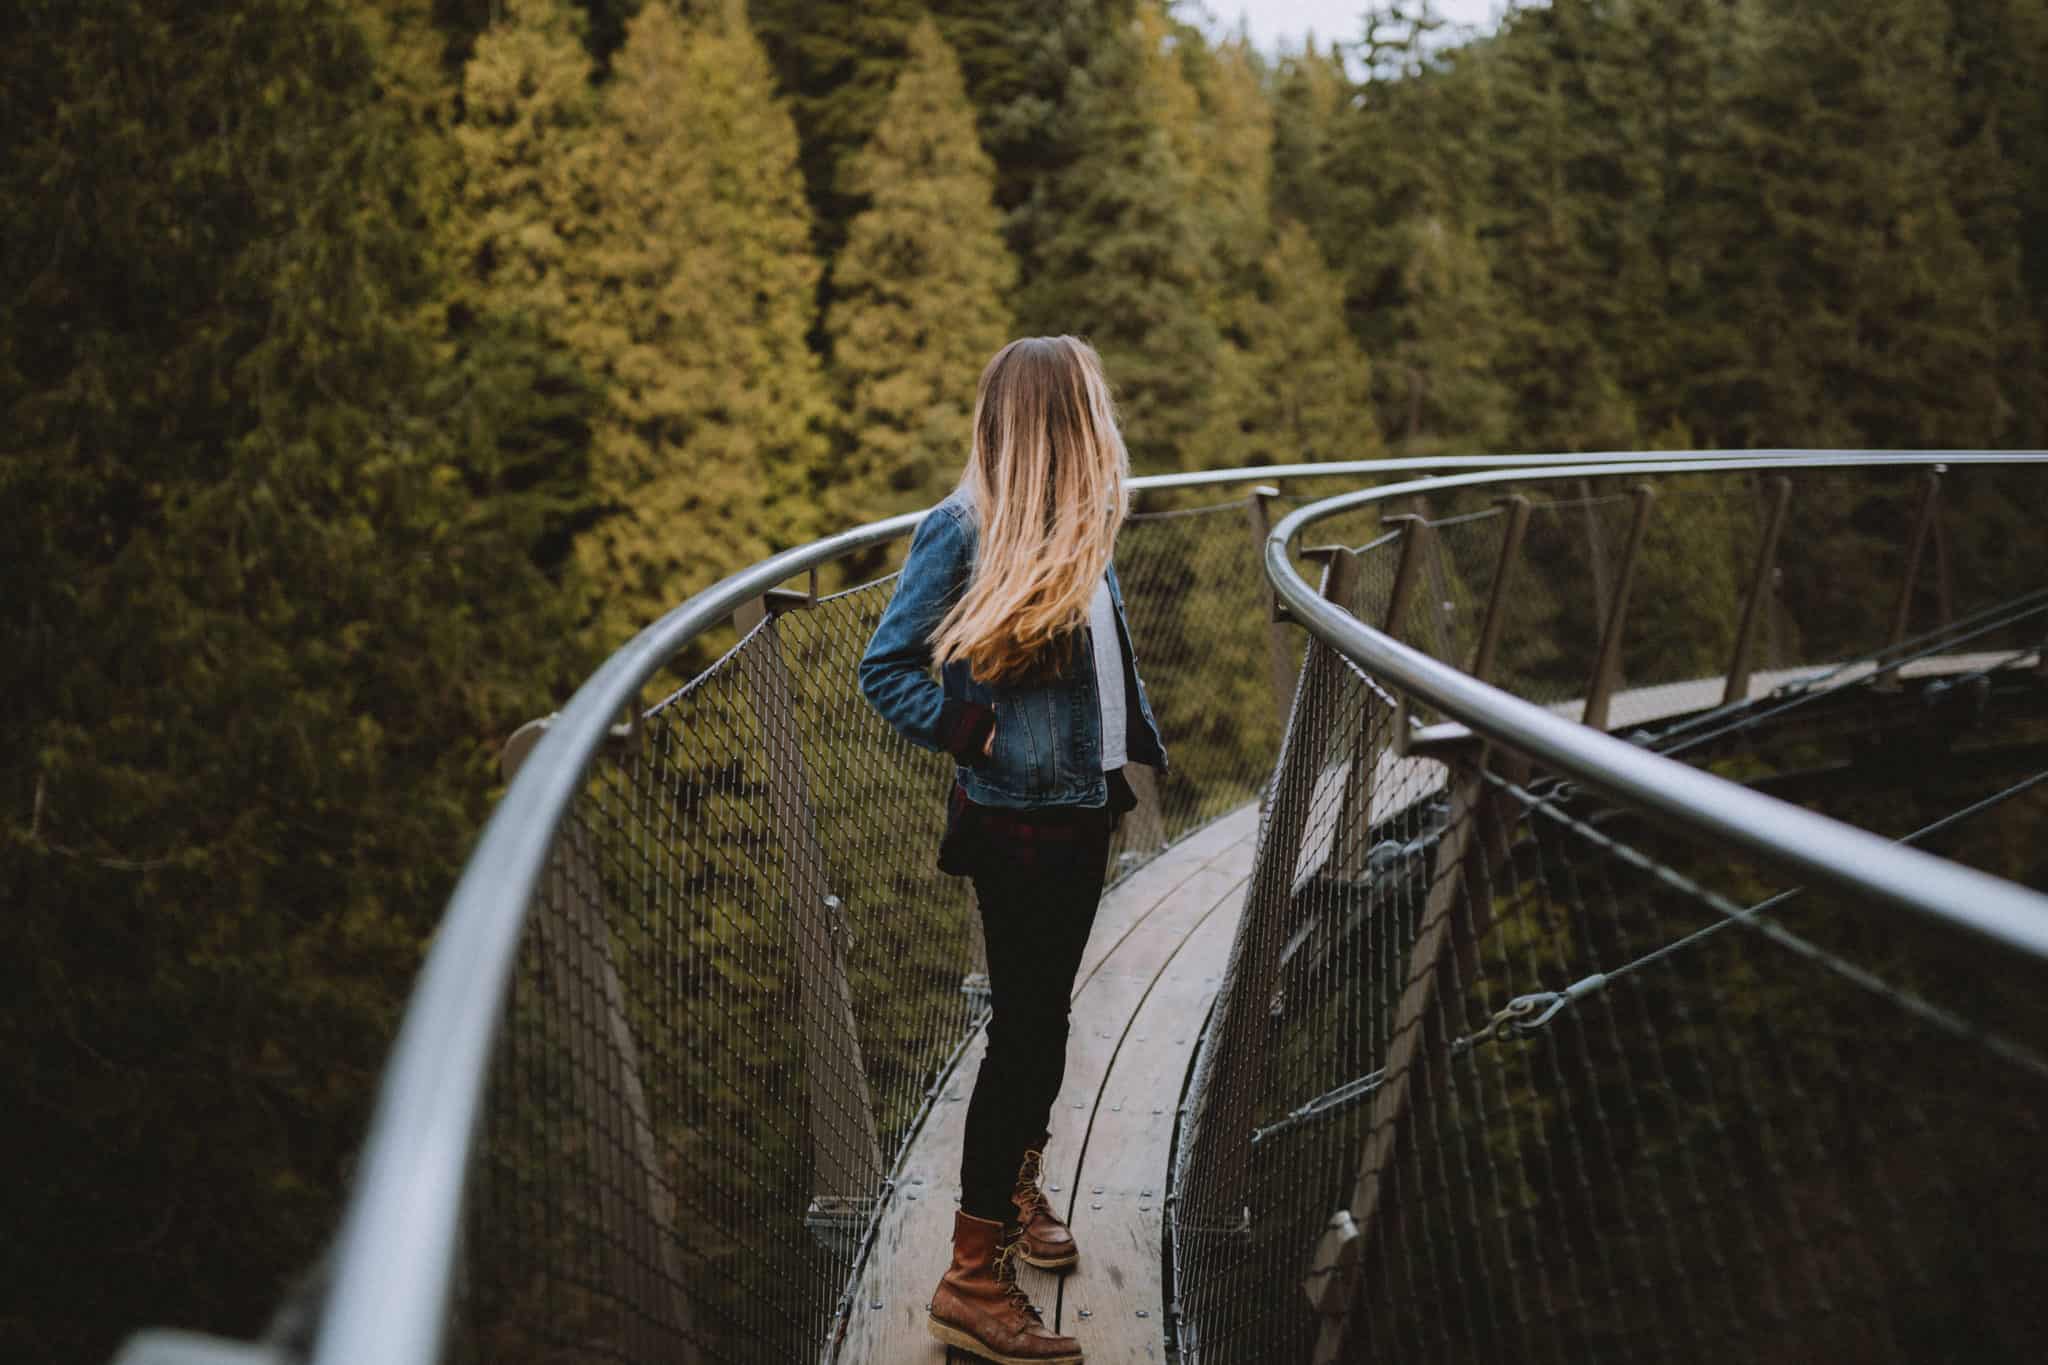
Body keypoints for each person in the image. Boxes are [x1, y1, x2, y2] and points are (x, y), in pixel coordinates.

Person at [857, 336, 1171, 1365]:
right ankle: (967, 1276)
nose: (1104, 412)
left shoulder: (1081, 518)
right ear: (1057, 416)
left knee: (1044, 1021)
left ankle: (1015, 1183)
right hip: (1021, 823)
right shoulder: (964, 530)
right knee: (1024, 1033)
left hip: (1081, 806)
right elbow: (886, 666)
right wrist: (972, 732)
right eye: (1090, 397)